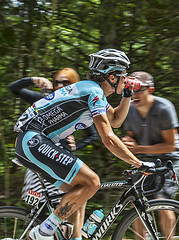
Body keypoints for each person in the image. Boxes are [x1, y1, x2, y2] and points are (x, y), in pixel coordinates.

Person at [14, 49, 153, 240]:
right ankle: (43, 233)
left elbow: (115, 120)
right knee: (92, 182)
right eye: (124, 76)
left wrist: (127, 93)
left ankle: (74, 237)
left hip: (31, 143)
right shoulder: (93, 92)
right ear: (112, 77)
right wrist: (138, 163)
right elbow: (109, 139)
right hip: (33, 140)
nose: (126, 78)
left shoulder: (92, 91)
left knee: (80, 191)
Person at [9, 68, 98, 234]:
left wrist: (75, 146)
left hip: (63, 163)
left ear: (75, 85)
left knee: (73, 205)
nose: (59, 85)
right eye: (57, 82)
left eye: (65, 83)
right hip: (39, 159)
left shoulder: (79, 105)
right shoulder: (45, 99)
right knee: (41, 213)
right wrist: (34, 79)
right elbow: (13, 88)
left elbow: (93, 135)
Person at [122, 71, 179, 239]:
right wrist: (127, 142)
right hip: (144, 161)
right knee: (138, 204)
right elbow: (132, 138)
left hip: (169, 159)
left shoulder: (164, 108)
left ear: (151, 90)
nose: (135, 94)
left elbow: (170, 145)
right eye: (131, 89)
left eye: (140, 89)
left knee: (161, 202)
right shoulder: (130, 109)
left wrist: (137, 148)